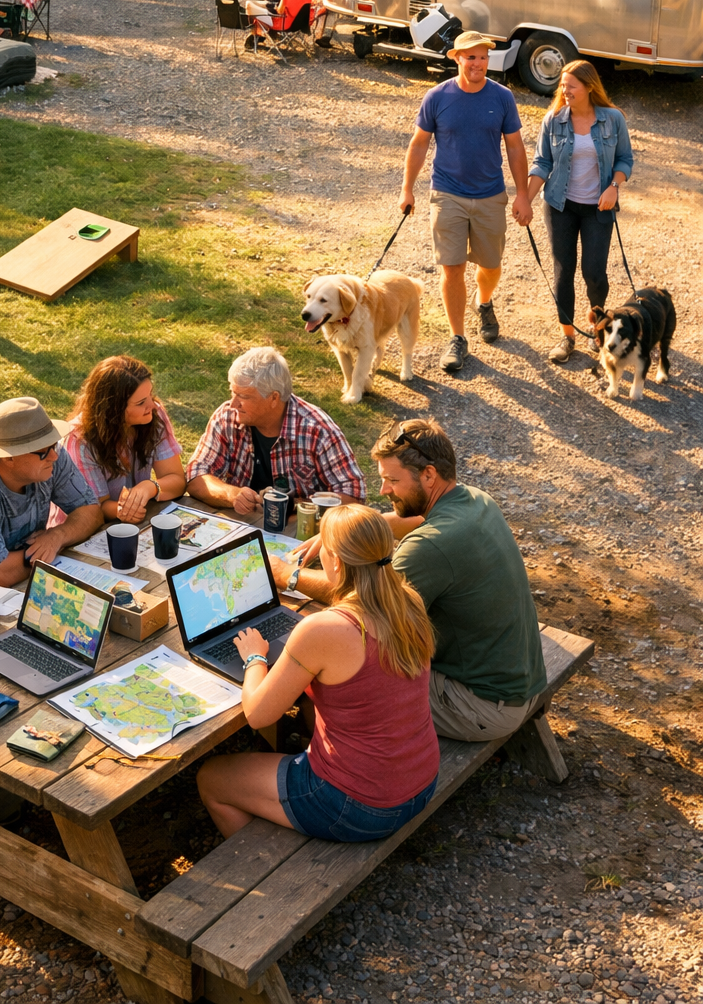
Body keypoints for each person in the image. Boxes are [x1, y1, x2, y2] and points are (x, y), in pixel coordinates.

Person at [282, 419, 548, 741]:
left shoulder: (428, 547)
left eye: (392, 480)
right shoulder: (475, 500)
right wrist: (351, 532)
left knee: (337, 671)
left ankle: (326, 764)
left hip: (483, 704)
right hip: (521, 680)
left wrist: (287, 575)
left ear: (429, 475)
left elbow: (360, 600)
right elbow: (417, 518)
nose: (383, 491)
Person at [196, 503, 439, 842]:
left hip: (361, 807)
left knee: (211, 778)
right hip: (422, 783)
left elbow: (257, 714)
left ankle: (266, 870)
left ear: (335, 561)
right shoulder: (407, 601)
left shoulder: (324, 630)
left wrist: (254, 658)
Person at [400, 31, 532, 374]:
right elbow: (418, 145)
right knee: (452, 267)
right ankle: (457, 338)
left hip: (490, 195)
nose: (478, 63)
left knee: (490, 265)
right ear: (456, 58)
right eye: (471, 57)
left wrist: (522, 194)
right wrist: (407, 188)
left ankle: (484, 301)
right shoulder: (437, 96)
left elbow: (515, 147)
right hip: (447, 193)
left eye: (484, 57)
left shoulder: (502, 97)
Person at [527, 60, 633, 363]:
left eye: (571, 86)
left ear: (588, 87)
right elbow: (542, 163)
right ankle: (568, 335)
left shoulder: (613, 119)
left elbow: (625, 159)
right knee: (564, 271)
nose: (565, 90)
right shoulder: (553, 120)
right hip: (560, 205)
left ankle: (598, 330)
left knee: (594, 273)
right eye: (563, 85)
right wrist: (526, 199)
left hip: (598, 208)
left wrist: (614, 186)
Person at [0, 398, 103, 586]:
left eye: (54, 445)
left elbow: (92, 511)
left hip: (27, 574)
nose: (54, 455)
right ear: (9, 457)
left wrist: (57, 537)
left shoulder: (50, 457)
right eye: (43, 451)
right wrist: (42, 553)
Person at [185, 347, 366, 515]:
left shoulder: (318, 430)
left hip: (299, 531)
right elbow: (195, 477)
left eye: (244, 396)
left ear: (273, 398)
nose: (233, 403)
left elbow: (353, 498)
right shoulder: (227, 417)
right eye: (233, 393)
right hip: (242, 526)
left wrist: (293, 506)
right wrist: (232, 494)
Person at [64, 356, 186, 523]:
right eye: (141, 402)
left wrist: (150, 487)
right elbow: (95, 508)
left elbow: (177, 480)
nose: (151, 405)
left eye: (150, 394)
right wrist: (126, 509)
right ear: (114, 409)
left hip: (130, 523)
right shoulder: (80, 440)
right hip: (83, 529)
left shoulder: (154, 415)